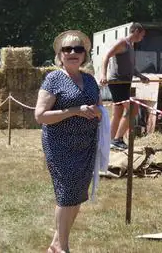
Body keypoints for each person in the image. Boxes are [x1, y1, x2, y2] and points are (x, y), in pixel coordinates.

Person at [34, 30, 103, 253]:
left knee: (78, 195)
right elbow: (40, 116)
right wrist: (74, 111)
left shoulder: (90, 80)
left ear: (85, 54)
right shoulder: (54, 78)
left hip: (86, 145)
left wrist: (98, 113)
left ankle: (56, 243)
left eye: (78, 49)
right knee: (66, 195)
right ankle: (63, 248)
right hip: (60, 145)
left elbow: (100, 107)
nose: (73, 53)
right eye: (67, 49)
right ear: (60, 54)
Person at [98, 23, 149, 151]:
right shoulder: (122, 43)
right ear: (136, 31)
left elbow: (131, 67)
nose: (142, 38)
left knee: (118, 113)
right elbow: (106, 56)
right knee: (133, 108)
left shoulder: (131, 46)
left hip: (125, 82)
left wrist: (140, 76)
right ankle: (118, 139)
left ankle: (108, 142)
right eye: (142, 35)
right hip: (118, 82)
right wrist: (103, 75)